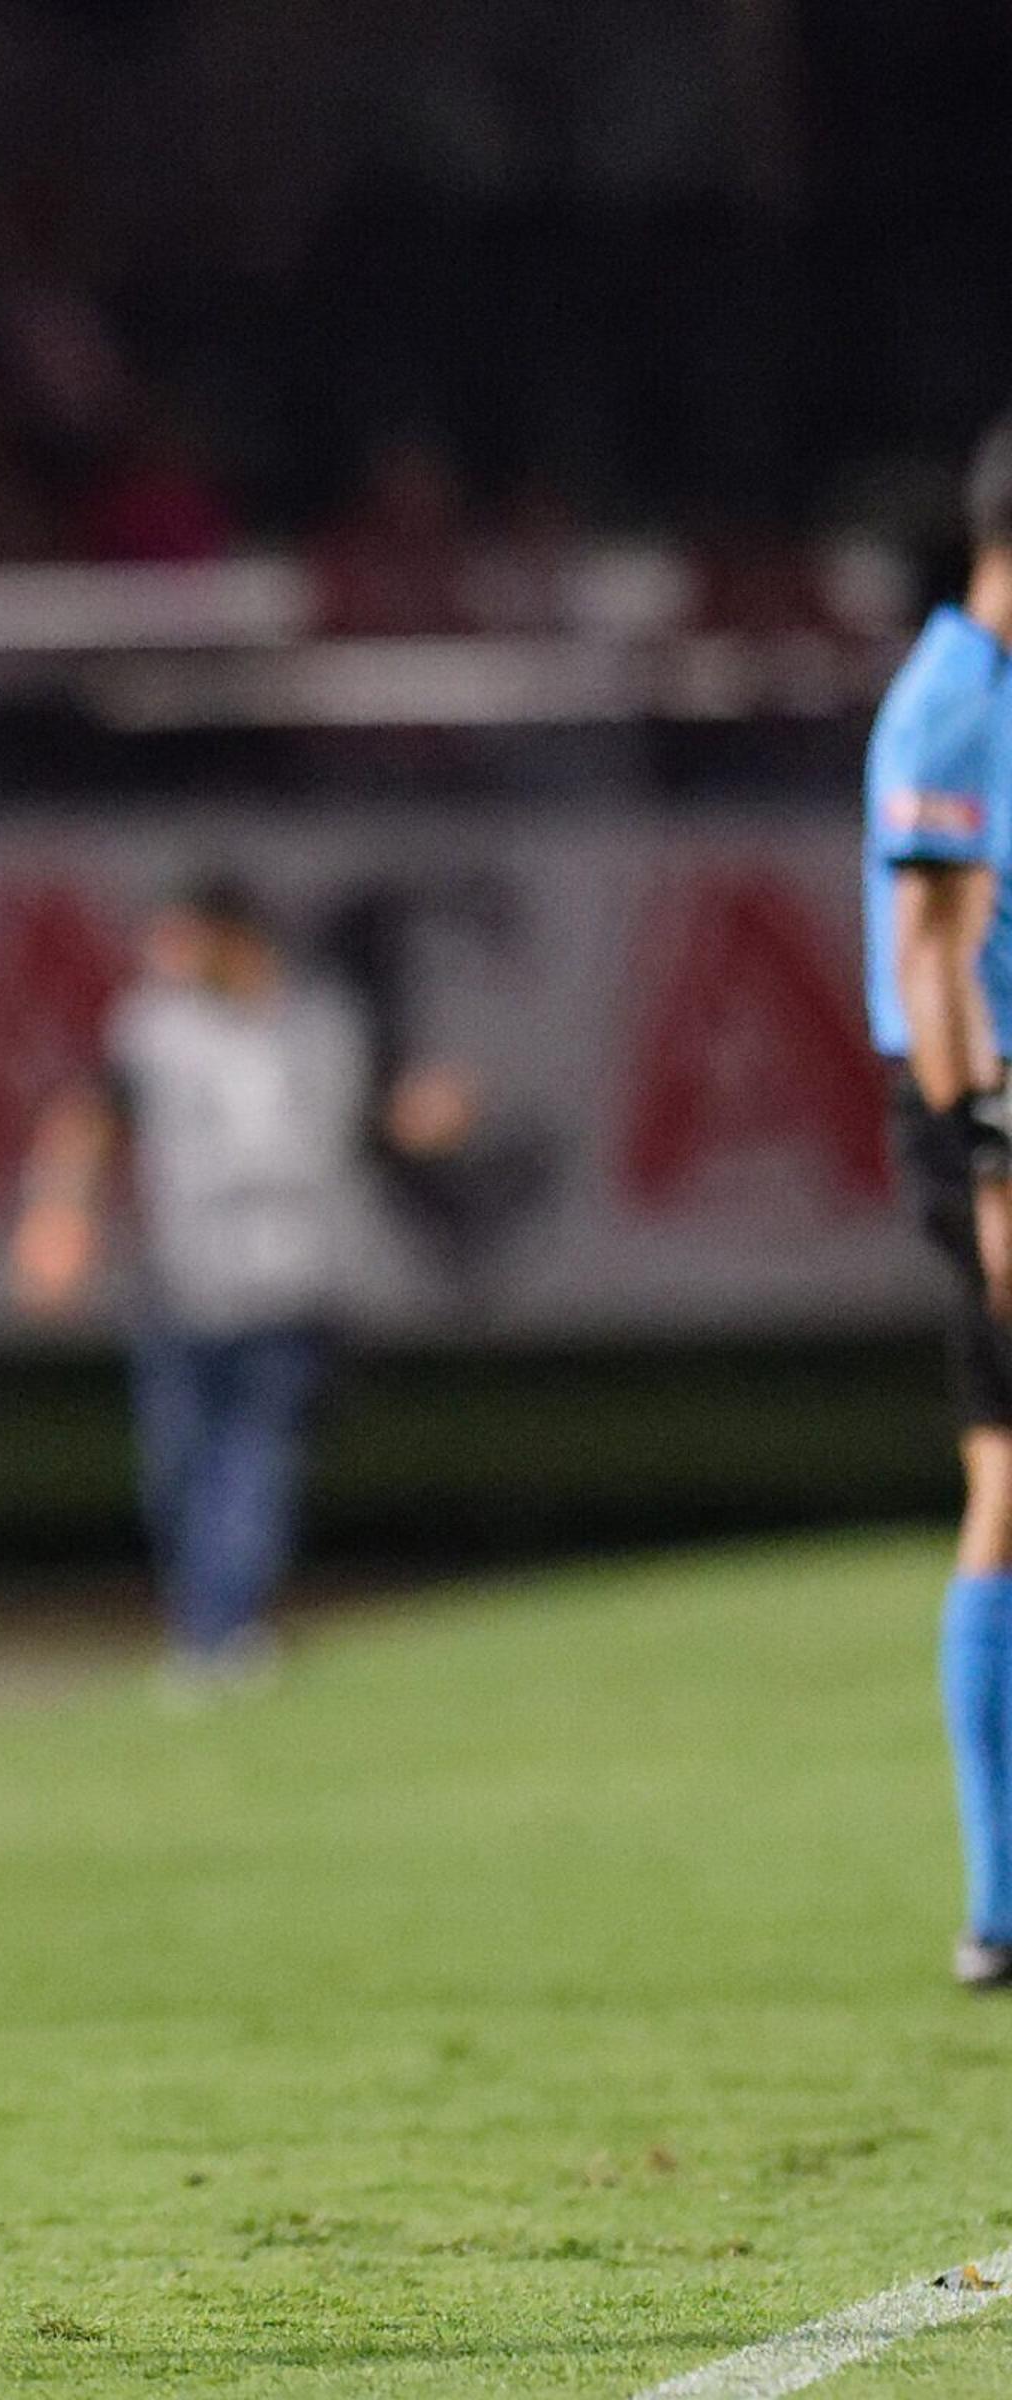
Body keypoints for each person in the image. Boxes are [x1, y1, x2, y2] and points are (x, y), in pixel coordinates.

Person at [10, 877, 471, 1692]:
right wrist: (58, 1219)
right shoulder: (154, 1030)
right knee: (178, 1467)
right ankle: (207, 1623)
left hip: (295, 1278)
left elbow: (382, 1114)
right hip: (186, 1277)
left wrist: (424, 1118)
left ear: (236, 937)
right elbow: (87, 1119)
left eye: (186, 936)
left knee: (255, 1457)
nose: (170, 956)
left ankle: (224, 1632)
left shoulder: (327, 1022)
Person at [848, 411, 1012, 1992]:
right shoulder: (953, 702)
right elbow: (937, 957)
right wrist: (994, 1165)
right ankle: (993, 1893)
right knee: (1005, 1479)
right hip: (983, 1116)